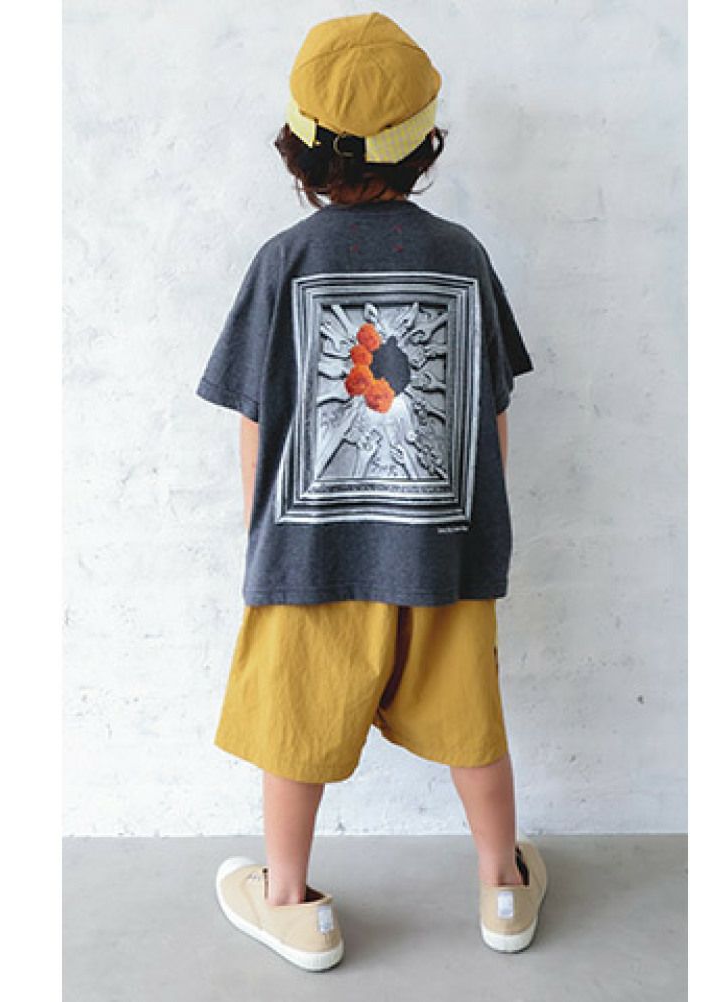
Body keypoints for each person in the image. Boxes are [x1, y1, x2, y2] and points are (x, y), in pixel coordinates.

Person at [198, 12, 546, 972]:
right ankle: (502, 889)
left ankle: (290, 903)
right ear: (424, 142)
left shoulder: (284, 261)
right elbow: (491, 413)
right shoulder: (463, 256)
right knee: (472, 722)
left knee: (295, 725)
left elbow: (257, 421)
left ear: (299, 144)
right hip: (444, 548)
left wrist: (263, 538)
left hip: (312, 552)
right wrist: (478, 532)